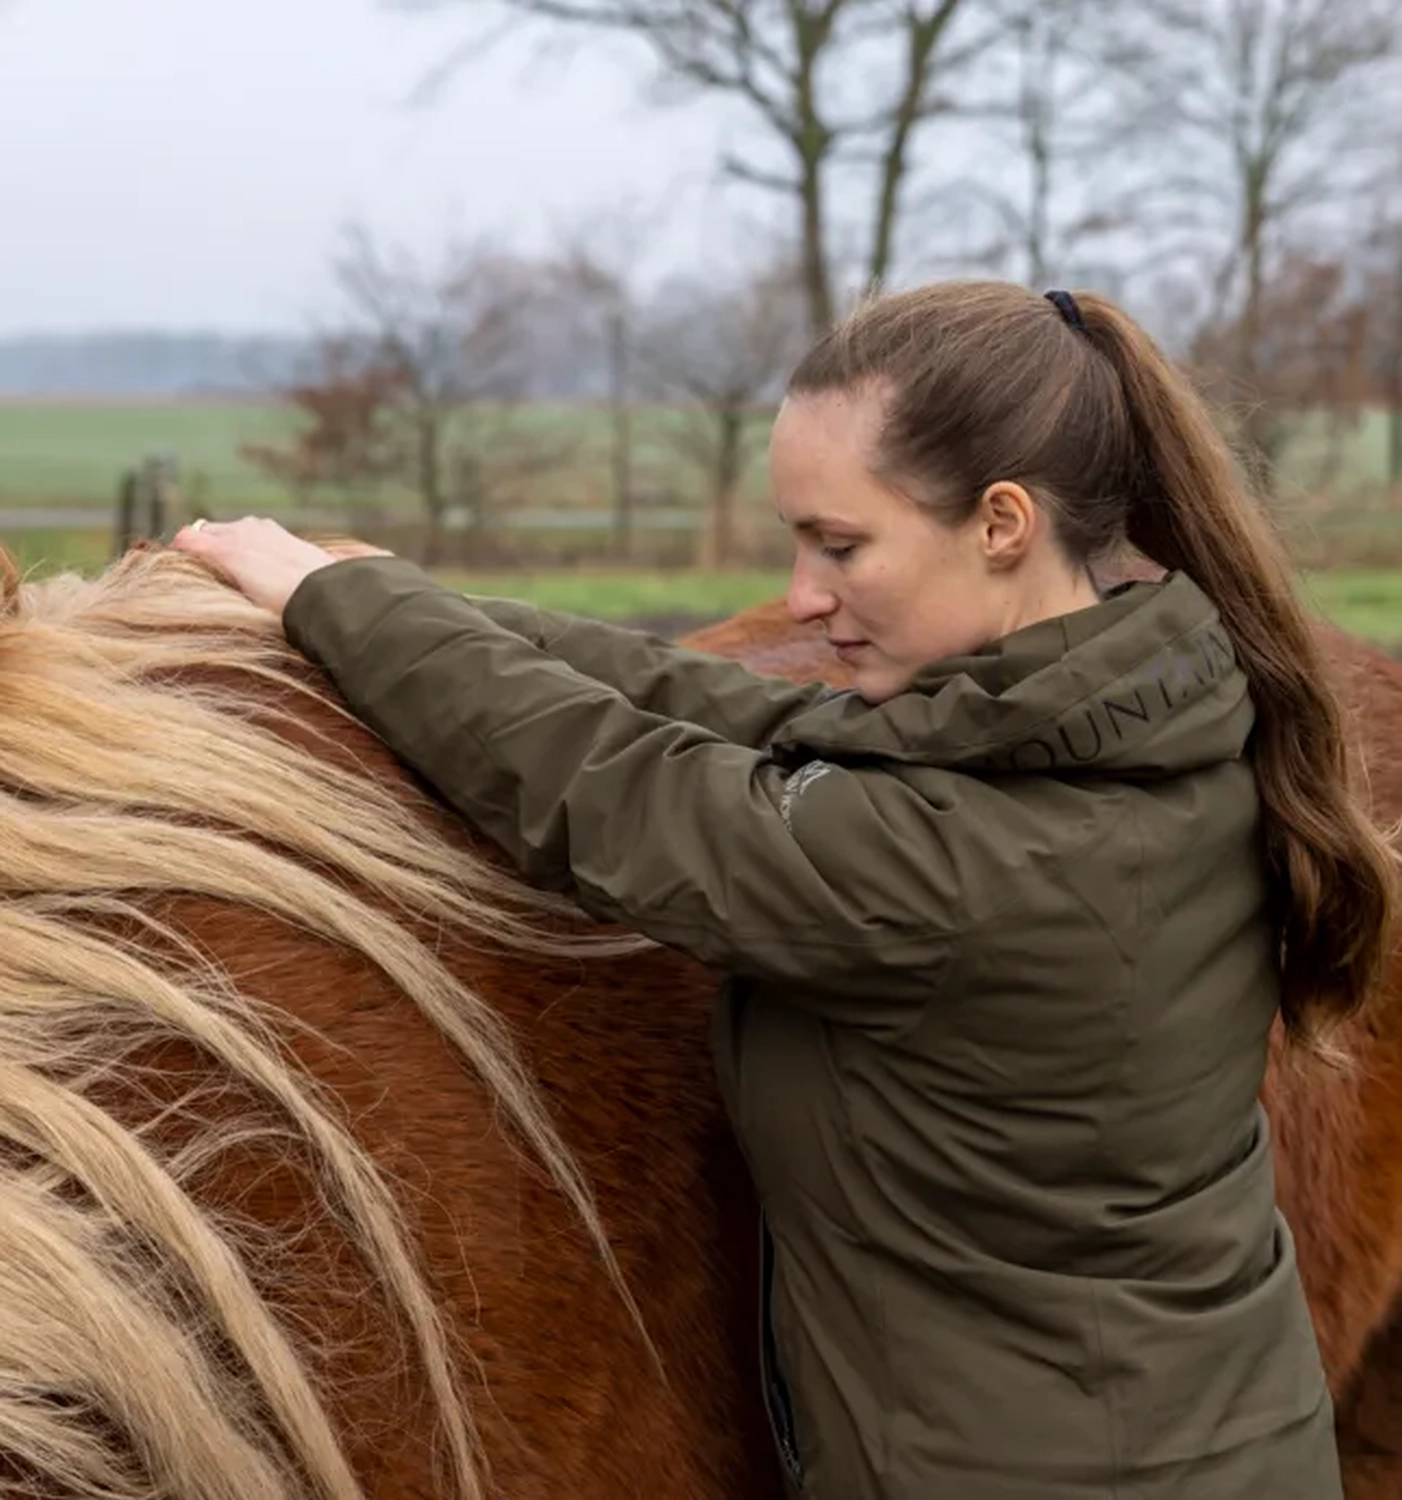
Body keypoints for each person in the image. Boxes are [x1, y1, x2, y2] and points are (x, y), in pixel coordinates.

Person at [172, 280, 1397, 1500]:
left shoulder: (981, 868)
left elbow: (612, 793)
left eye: (843, 544)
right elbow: (737, 704)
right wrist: (412, 608)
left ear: (1003, 523)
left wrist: (339, 604)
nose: (804, 596)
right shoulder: (1138, 714)